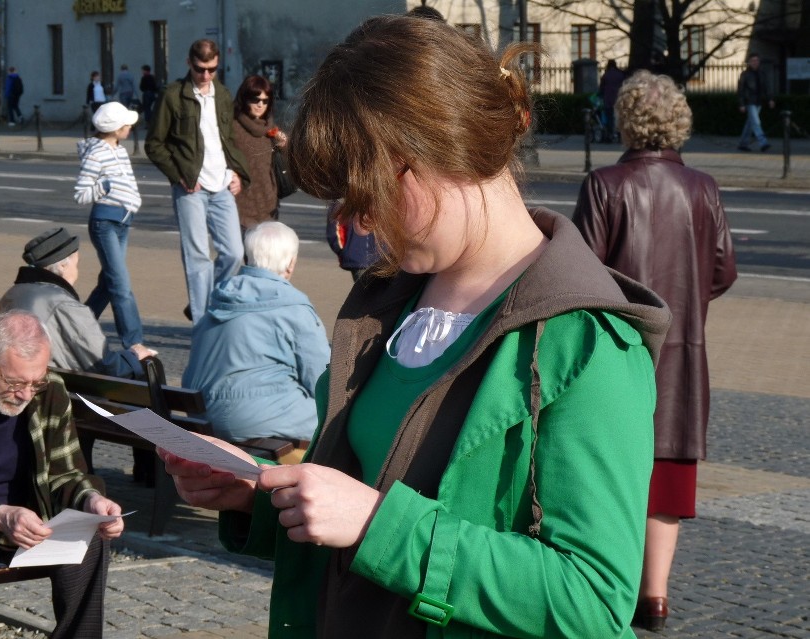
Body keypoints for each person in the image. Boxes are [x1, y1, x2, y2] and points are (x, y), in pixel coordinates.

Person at [160, 16, 671, 638]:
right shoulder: (391, 302)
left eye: (365, 191)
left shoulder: (586, 344)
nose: (362, 222)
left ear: (434, 151)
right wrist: (260, 495)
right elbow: (360, 494)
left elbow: (591, 600)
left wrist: (381, 525)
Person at [572, 69, 737, 632]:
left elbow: (580, 270)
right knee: (667, 474)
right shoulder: (704, 188)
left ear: (625, 119)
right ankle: (657, 596)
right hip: (683, 351)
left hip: (619, 344)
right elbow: (722, 272)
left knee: (611, 470)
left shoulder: (605, 184)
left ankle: (611, 585)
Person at [0, 310, 125, 638]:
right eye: (15, 382)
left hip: (33, 525)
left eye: (36, 382)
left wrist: (90, 500)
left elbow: (66, 473)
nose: (25, 394)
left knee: (91, 536)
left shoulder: (49, 391)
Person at [183, 221, 330, 446]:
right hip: (262, 418)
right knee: (341, 422)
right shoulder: (294, 309)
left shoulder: (218, 301)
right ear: (291, 263)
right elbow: (321, 379)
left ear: (247, 257)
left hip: (204, 415)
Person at [145, 39, 251, 324]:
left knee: (234, 253)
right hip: (190, 188)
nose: (206, 76)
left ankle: (214, 305)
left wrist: (236, 172)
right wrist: (178, 175)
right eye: (200, 69)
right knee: (198, 258)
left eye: (212, 69)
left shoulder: (223, 95)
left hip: (222, 185)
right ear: (189, 63)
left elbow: (226, 141)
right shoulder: (172, 96)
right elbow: (154, 144)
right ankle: (204, 322)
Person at [0, 227, 154, 377]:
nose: (77, 271)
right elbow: (105, 365)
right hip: (54, 391)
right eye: (76, 264)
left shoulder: (13, 293)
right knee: (149, 366)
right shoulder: (64, 305)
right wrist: (134, 356)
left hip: (14, 381)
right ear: (63, 265)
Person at [74, 101, 151, 355]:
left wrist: (132, 201)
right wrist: (104, 186)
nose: (130, 127)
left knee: (109, 283)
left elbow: (128, 183)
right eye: (127, 124)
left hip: (123, 222)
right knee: (120, 283)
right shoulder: (96, 153)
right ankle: (134, 342)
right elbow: (81, 194)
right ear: (116, 128)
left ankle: (77, 328)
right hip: (104, 223)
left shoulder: (120, 150)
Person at [231, 75, 287, 234]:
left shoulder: (270, 128)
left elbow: (285, 161)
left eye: (265, 100)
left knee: (265, 257)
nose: (260, 105)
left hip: (268, 206)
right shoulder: (233, 127)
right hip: (241, 207)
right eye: (255, 100)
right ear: (244, 98)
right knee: (241, 256)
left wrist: (284, 146)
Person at [326, 200, 379, 281]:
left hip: (369, 258)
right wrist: (344, 250)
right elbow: (334, 229)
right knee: (370, 291)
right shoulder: (342, 200)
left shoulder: (342, 198)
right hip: (361, 258)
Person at [737, 53, 775, 152]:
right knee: (756, 122)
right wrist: (741, 103)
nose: (755, 62)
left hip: (759, 101)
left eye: (757, 60)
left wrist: (770, 99)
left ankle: (743, 143)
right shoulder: (745, 74)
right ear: (749, 62)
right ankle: (763, 143)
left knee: (750, 123)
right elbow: (740, 90)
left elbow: (767, 88)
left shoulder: (762, 74)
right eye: (753, 60)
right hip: (749, 101)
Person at [597, 59, 625, 142]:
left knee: (609, 119)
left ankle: (609, 136)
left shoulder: (606, 75)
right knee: (619, 118)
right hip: (619, 99)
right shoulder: (620, 75)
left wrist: (600, 96)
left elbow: (601, 89)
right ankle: (620, 136)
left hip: (608, 100)